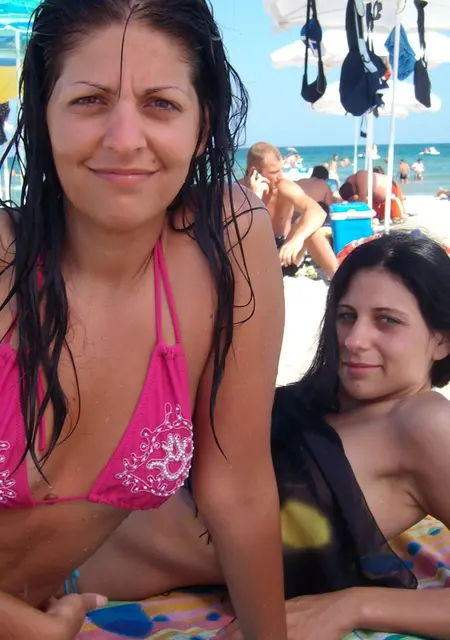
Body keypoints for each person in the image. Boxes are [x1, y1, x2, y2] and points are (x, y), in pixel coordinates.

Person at [0, 2, 288, 639]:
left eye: (160, 104)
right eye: (90, 101)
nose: (125, 139)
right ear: (42, 114)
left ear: (201, 124)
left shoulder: (228, 241)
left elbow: (238, 490)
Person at [75, 232, 450, 640]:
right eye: (346, 316)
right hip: (56, 521)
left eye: (387, 320)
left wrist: (352, 605)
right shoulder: (322, 401)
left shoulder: (426, 424)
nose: (354, 340)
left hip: (68, 564)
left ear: (442, 340)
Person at [242, 143, 337, 279]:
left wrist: (297, 239)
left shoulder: (283, 186)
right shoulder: (237, 191)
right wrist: (254, 197)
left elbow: (318, 212)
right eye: (274, 172)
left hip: (283, 255)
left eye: (281, 170)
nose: (280, 176)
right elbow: (239, 235)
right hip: (252, 259)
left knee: (308, 225)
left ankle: (338, 280)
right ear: (254, 172)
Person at [339, 168, 406, 221]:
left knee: (397, 218)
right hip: (377, 196)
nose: (357, 192)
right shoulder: (348, 180)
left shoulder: (361, 177)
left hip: (391, 190)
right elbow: (351, 201)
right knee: (379, 217)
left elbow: (362, 201)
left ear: (354, 187)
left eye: (356, 192)